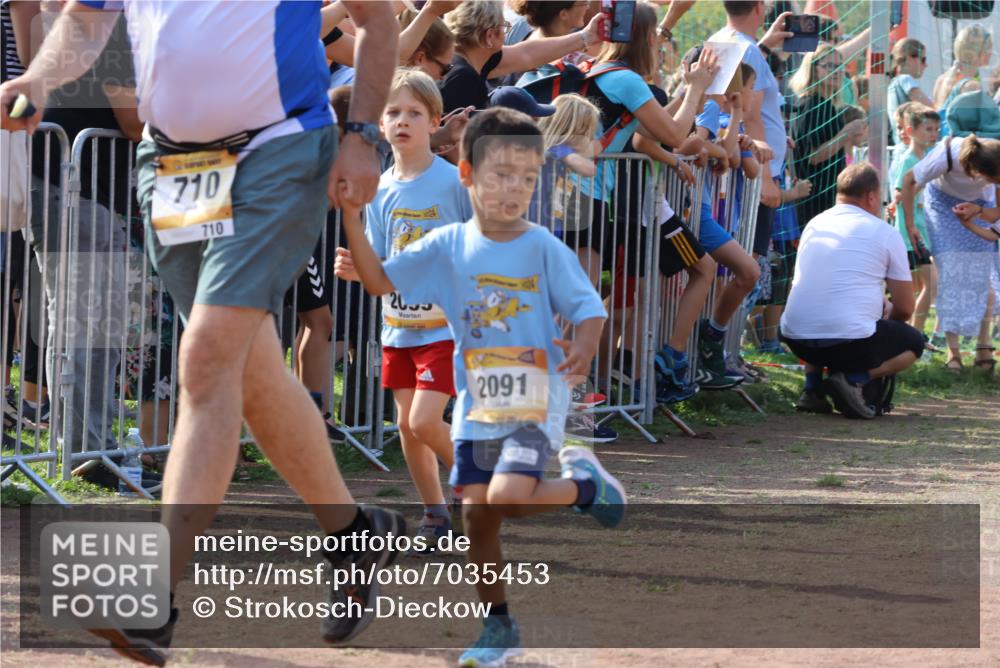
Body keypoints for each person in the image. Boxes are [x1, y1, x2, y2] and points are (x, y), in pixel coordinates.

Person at [0, 0, 406, 661]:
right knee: (247, 372)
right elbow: (85, 22)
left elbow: (380, 20)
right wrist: (36, 81)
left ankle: (152, 602)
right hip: (174, 167)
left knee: (207, 359)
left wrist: (362, 135)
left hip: (280, 151)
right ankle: (354, 534)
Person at [336, 107, 626, 666]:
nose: (513, 189)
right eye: (500, 176)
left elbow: (589, 309)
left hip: (534, 393)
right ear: (466, 174)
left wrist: (587, 345)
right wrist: (353, 215)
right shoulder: (447, 245)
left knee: (509, 501)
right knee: (478, 522)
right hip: (478, 405)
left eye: (525, 177)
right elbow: (378, 281)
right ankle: (499, 627)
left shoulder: (541, 245)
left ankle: (586, 486)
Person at [339, 69, 473, 550]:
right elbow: (379, 260)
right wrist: (360, 268)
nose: (402, 121)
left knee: (423, 420)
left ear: (435, 120)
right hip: (398, 325)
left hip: (445, 326)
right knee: (405, 427)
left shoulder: (454, 181)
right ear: (378, 123)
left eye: (414, 113)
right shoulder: (379, 187)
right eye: (393, 112)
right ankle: (436, 516)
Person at [781, 163, 924, 419]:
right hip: (849, 343)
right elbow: (904, 307)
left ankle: (812, 388)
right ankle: (855, 379)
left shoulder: (814, 224)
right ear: (871, 197)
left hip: (795, 338)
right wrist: (884, 324)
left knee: (823, 313)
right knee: (915, 342)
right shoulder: (886, 232)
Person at [901, 134, 1000, 373]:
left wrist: (977, 211)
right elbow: (909, 180)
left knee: (982, 275)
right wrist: (910, 225)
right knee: (951, 276)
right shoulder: (947, 155)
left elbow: (996, 215)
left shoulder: (996, 160)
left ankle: (983, 345)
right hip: (942, 207)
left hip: (980, 207)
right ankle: (953, 351)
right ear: (976, 172)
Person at [438, 0, 605, 115]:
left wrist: (585, 37)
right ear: (489, 36)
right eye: (504, 26)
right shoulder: (463, 79)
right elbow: (457, 140)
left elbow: (527, 55)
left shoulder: (474, 60)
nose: (506, 32)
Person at [790, 43, 867, 229]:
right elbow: (814, 157)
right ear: (813, 69)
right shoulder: (816, 104)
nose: (837, 71)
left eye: (840, 66)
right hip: (817, 199)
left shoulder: (824, 104)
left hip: (822, 197)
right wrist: (846, 133)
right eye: (829, 66)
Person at [892, 105, 940, 334]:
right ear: (911, 130)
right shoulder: (907, 160)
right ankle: (917, 335)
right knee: (930, 285)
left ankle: (909, 333)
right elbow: (899, 195)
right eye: (928, 129)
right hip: (909, 234)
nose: (933, 134)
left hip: (923, 231)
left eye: (936, 129)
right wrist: (920, 184)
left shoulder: (929, 158)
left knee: (922, 287)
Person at [933, 24, 993, 136]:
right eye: (989, 48)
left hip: (943, 145)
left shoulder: (941, 79)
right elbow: (973, 126)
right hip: (959, 147)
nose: (991, 52)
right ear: (979, 53)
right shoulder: (971, 86)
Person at [887, 38, 933, 147]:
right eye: (923, 59)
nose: (926, 65)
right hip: (912, 148)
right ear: (909, 58)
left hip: (900, 147)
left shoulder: (892, 84)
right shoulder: (905, 79)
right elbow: (931, 109)